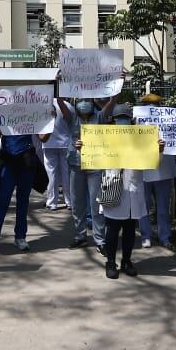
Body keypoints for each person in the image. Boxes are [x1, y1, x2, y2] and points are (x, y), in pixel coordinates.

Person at [95, 104, 166, 278]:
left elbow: (152, 163)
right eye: (119, 119)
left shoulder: (141, 139)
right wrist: (83, 147)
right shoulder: (105, 138)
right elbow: (93, 155)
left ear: (132, 121)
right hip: (113, 186)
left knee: (129, 230)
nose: (123, 122)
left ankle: (127, 260)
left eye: (125, 119)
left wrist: (159, 150)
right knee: (112, 229)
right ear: (113, 121)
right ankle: (110, 262)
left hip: (134, 189)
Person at [0, 110, 48, 258]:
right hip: (8, 162)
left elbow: (43, 137)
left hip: (26, 162)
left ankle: (20, 237)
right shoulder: (3, 112)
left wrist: (51, 120)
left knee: (23, 201)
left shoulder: (32, 113)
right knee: (1, 201)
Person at [59, 93, 120, 252]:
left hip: (95, 165)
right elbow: (60, 102)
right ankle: (80, 236)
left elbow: (113, 102)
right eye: (80, 100)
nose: (84, 103)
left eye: (87, 100)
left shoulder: (99, 117)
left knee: (96, 204)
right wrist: (61, 86)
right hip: (75, 165)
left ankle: (100, 239)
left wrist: (118, 84)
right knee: (77, 203)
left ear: (93, 102)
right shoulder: (72, 117)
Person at [136, 93, 176, 249]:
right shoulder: (137, 123)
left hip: (163, 170)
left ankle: (163, 236)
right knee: (145, 205)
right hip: (144, 169)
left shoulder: (170, 121)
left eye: (154, 105)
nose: (151, 108)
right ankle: (148, 235)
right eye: (147, 105)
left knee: (161, 206)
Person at [39, 102, 73, 210]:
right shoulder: (67, 105)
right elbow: (73, 121)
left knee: (51, 173)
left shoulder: (42, 104)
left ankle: (52, 202)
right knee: (66, 173)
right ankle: (69, 201)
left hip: (48, 142)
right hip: (65, 142)